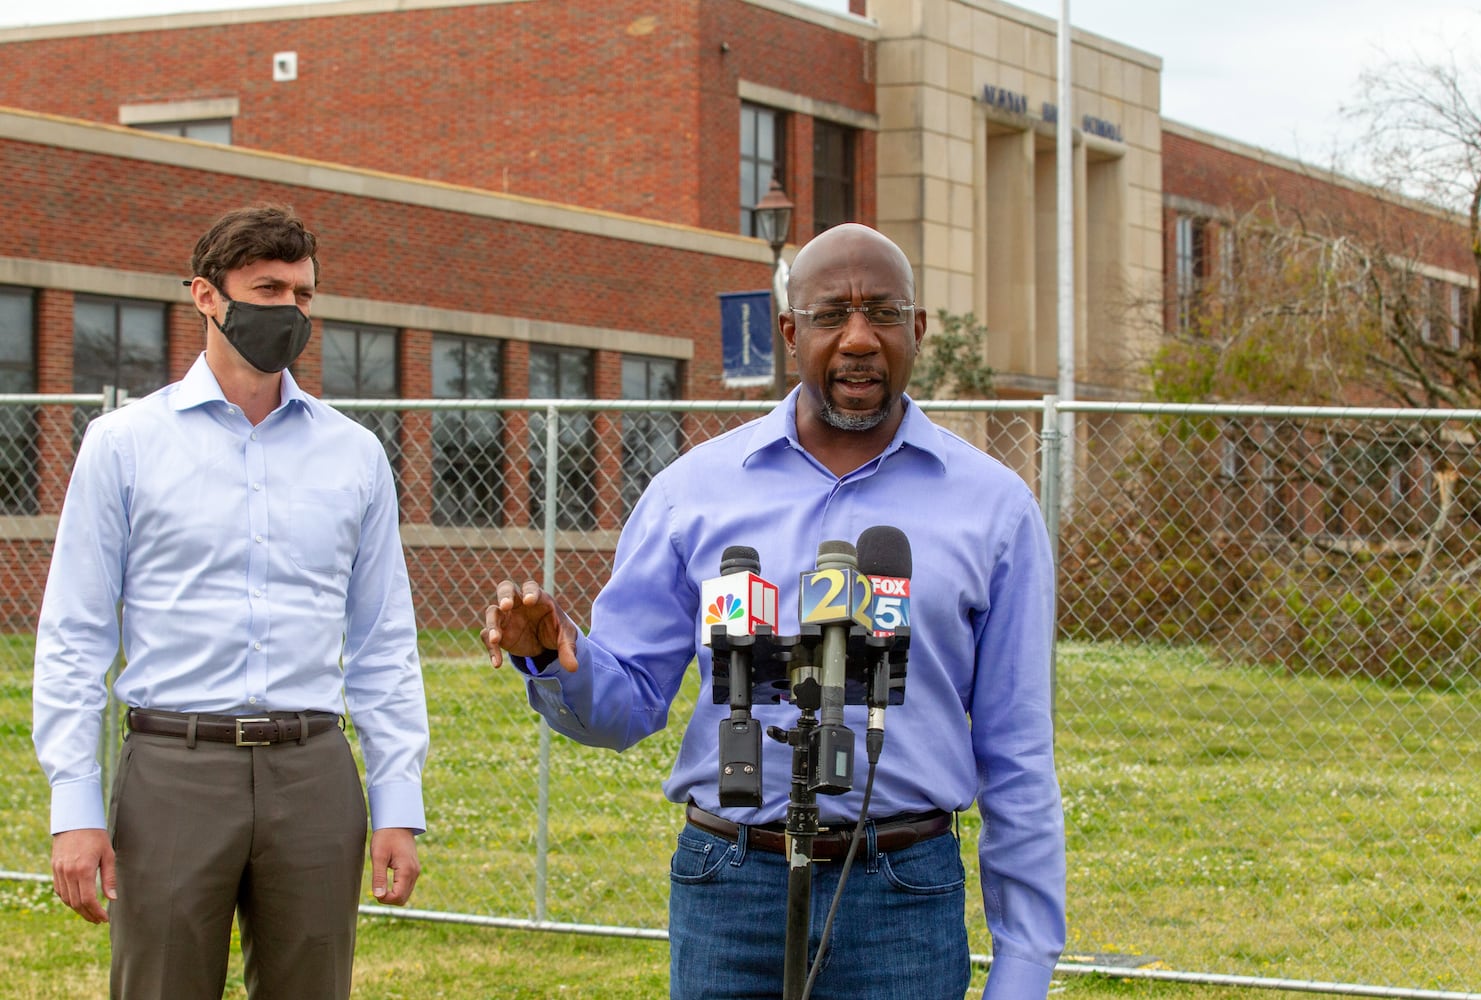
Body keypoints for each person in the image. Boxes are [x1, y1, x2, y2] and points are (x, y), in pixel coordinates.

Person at [481, 222, 1065, 999]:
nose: (858, 338)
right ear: (790, 332)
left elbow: (1017, 750)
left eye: (883, 313)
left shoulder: (994, 509)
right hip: (731, 885)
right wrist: (554, 657)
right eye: (831, 315)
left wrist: (1021, 969)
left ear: (917, 330)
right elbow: (625, 707)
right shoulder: (693, 492)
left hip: (901, 893)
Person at [32, 204, 430, 999]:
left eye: (304, 295)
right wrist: (73, 804)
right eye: (268, 288)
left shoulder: (353, 454)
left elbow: (383, 638)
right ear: (206, 296)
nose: (289, 310)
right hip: (173, 774)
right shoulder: (124, 445)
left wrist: (398, 803)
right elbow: (74, 632)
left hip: (313, 772)